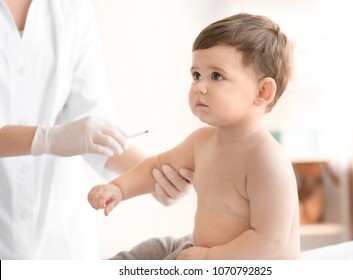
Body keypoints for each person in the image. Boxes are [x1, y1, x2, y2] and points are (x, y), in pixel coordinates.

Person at [88, 13, 300, 260]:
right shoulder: (202, 141)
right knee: (148, 250)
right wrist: (119, 189)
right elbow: (158, 166)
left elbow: (269, 240)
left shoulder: (266, 159)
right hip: (198, 248)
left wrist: (209, 259)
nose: (199, 86)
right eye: (196, 75)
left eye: (216, 76)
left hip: (246, 265)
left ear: (262, 92)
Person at [0, 0, 191, 259]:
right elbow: (67, 137)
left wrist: (156, 176)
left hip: (60, 239)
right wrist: (45, 138)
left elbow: (94, 128)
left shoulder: (73, 9)